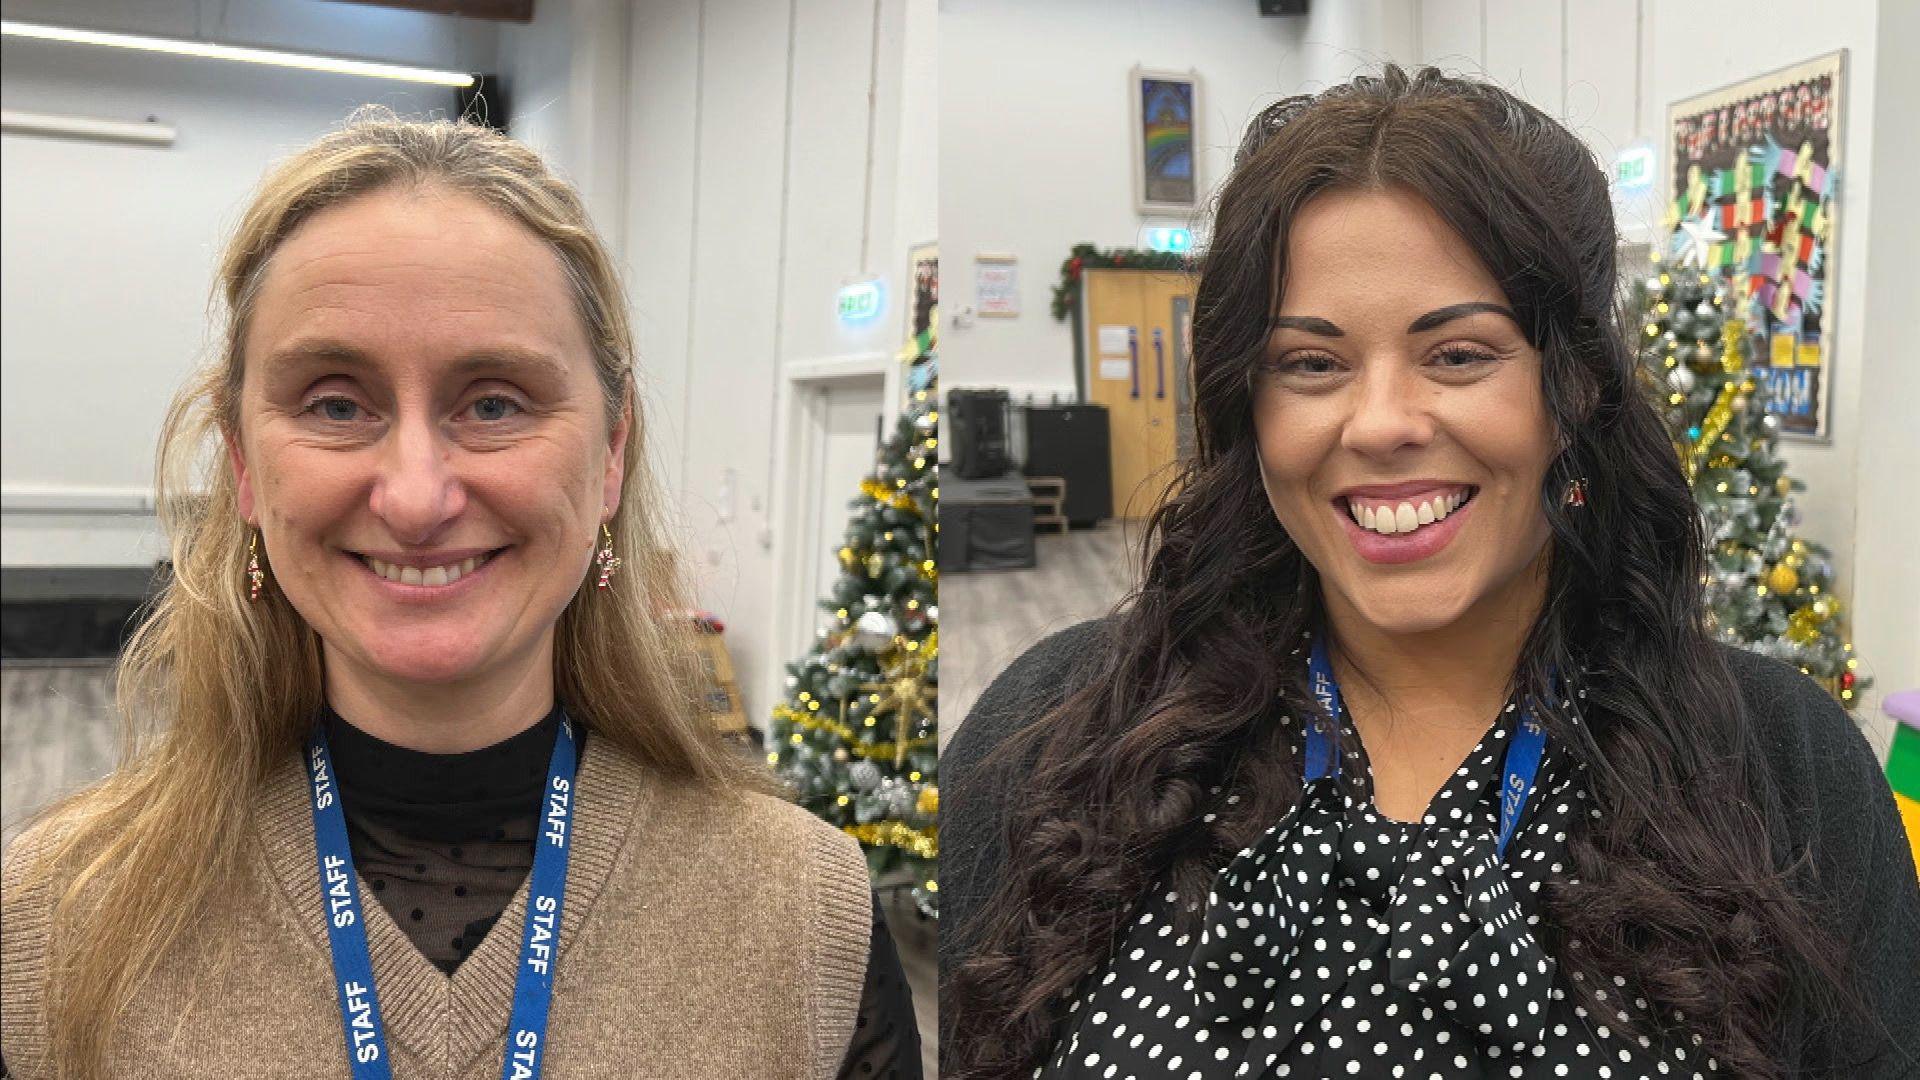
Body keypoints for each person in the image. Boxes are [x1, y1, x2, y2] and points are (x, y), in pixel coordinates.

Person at [940, 66, 1920, 1078]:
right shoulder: (1053, 741)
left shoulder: (1784, 771)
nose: (1381, 424)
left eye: (1457, 354)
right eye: (1312, 364)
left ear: (1574, 387)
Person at [1, 110, 919, 1080]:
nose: (415, 497)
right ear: (242, 466)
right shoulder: (56, 920)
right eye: (336, 403)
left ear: (611, 455)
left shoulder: (805, 913)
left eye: (493, 403)